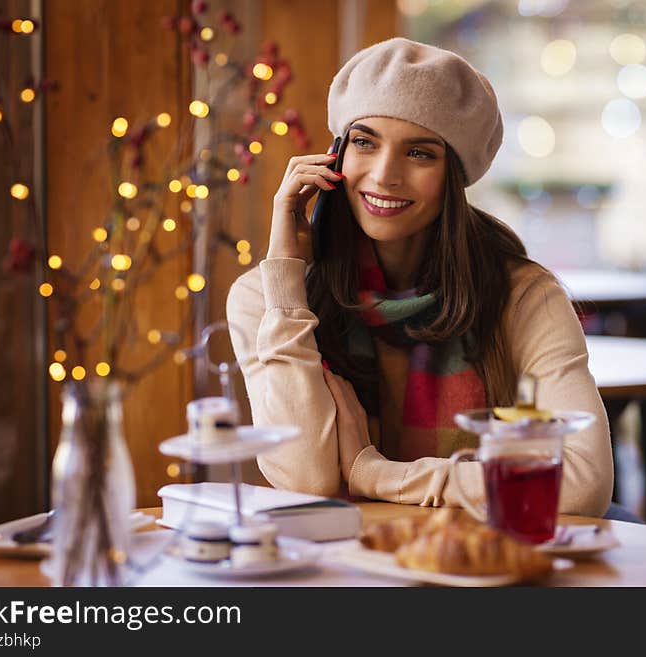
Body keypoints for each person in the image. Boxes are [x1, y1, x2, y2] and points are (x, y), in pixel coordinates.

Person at [227, 37, 613, 517]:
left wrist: (378, 474)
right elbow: (305, 478)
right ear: (335, 157)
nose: (385, 175)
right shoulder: (263, 298)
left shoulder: (523, 296)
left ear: (453, 176)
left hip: (481, 569)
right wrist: (285, 279)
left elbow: (584, 484)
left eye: (420, 154)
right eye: (365, 143)